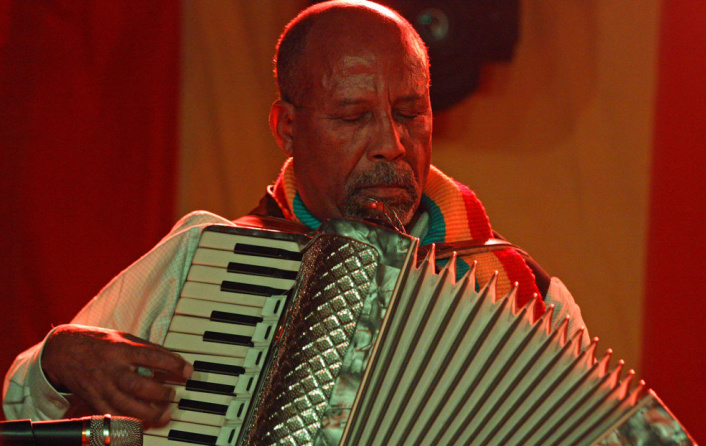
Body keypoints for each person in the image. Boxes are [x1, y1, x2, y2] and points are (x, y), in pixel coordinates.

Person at [3, 0, 588, 428]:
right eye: (353, 117)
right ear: (287, 128)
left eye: (410, 112)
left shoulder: (526, 294)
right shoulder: (203, 262)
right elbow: (19, 402)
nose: (392, 143)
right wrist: (57, 360)